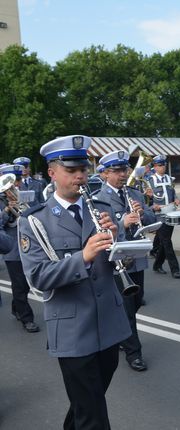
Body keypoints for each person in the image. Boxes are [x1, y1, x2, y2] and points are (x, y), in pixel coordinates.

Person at [19, 135, 132, 429]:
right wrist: (82, 256)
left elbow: (122, 261)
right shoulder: (35, 221)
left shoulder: (99, 209)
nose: (80, 175)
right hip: (72, 330)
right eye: (70, 170)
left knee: (87, 403)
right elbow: (39, 277)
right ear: (52, 173)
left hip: (109, 323)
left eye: (83, 168)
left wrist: (117, 239)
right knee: (94, 415)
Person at [95, 150, 157, 371]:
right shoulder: (98, 199)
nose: (123, 174)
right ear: (104, 174)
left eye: (125, 170)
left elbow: (152, 218)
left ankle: (119, 333)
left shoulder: (134, 194)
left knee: (137, 299)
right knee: (128, 308)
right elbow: (100, 231)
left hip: (137, 255)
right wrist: (123, 224)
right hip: (118, 259)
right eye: (117, 170)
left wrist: (141, 214)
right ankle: (134, 353)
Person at [0, 164, 39, 333]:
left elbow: (37, 212)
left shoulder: (26, 194)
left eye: (18, 180)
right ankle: (27, 318)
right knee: (19, 284)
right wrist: (7, 210)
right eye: (13, 181)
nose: (15, 185)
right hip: (12, 249)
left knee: (27, 283)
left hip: (29, 245)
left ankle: (16, 307)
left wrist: (25, 206)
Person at [149, 155, 180, 278]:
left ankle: (157, 265)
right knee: (167, 242)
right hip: (158, 215)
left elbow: (173, 193)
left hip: (171, 213)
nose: (162, 167)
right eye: (159, 165)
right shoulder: (150, 180)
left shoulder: (169, 178)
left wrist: (177, 199)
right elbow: (145, 200)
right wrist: (153, 206)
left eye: (164, 165)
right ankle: (175, 269)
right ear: (155, 167)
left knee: (164, 241)